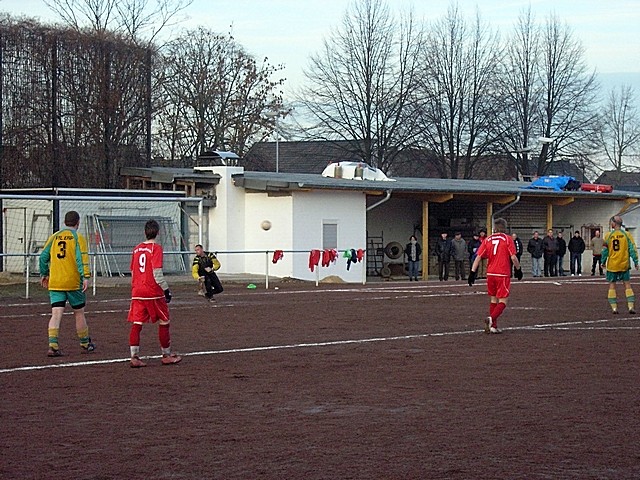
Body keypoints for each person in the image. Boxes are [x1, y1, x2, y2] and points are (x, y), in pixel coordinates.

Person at [39, 211, 95, 357]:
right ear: (78, 222)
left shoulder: (54, 237)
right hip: (73, 282)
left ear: (65, 222)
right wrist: (86, 277)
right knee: (79, 313)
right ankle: (85, 343)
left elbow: (43, 257)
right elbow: (81, 258)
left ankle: (52, 345)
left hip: (56, 282)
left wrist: (44, 274)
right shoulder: (78, 238)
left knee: (56, 314)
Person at [128, 219, 182, 368]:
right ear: (158, 232)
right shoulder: (156, 248)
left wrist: (135, 287)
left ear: (145, 232)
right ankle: (166, 355)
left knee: (137, 323)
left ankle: (134, 357)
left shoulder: (137, 248)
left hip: (137, 291)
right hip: (153, 291)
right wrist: (166, 290)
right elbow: (157, 273)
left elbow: (133, 271)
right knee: (164, 321)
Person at [469, 218, 522, 334]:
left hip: (490, 273)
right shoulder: (507, 239)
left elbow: (478, 257)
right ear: (505, 227)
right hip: (502, 273)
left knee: (493, 299)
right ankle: (491, 319)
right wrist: (518, 270)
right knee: (503, 301)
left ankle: (493, 326)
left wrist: (472, 273)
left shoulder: (487, 239)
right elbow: (513, 257)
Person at [601, 215, 639, 314]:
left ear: (614, 223)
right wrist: (636, 262)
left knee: (612, 286)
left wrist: (603, 262)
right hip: (624, 265)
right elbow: (632, 249)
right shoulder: (627, 235)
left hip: (612, 265)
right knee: (627, 285)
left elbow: (605, 251)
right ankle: (630, 307)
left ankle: (614, 308)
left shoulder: (608, 236)